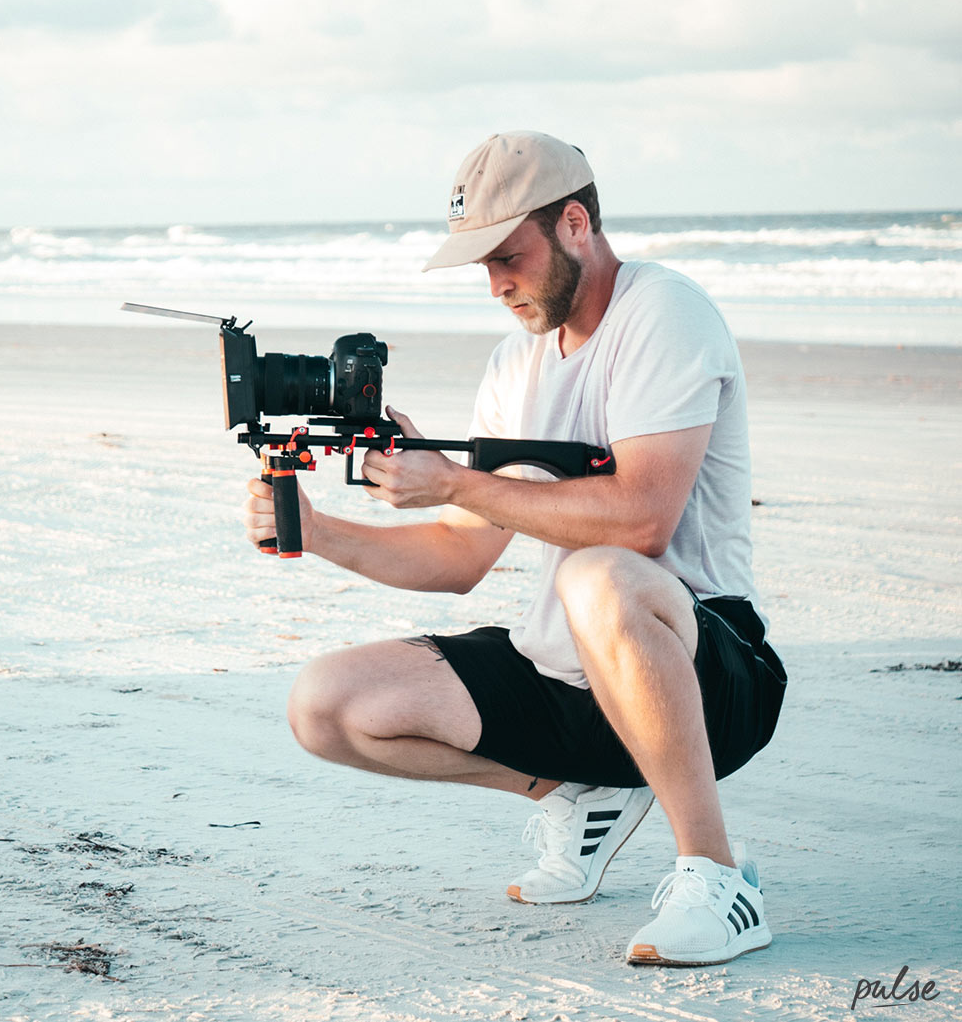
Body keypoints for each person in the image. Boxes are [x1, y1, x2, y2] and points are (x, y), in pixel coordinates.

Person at [242, 131, 787, 966]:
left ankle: (719, 880)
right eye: (482, 265)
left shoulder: (663, 313)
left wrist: (456, 480)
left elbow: (642, 520)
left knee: (603, 576)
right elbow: (462, 558)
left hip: (709, 670)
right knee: (325, 703)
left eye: (509, 256)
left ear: (576, 223)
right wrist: (318, 533)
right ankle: (579, 793)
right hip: (570, 680)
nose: (497, 284)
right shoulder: (514, 363)